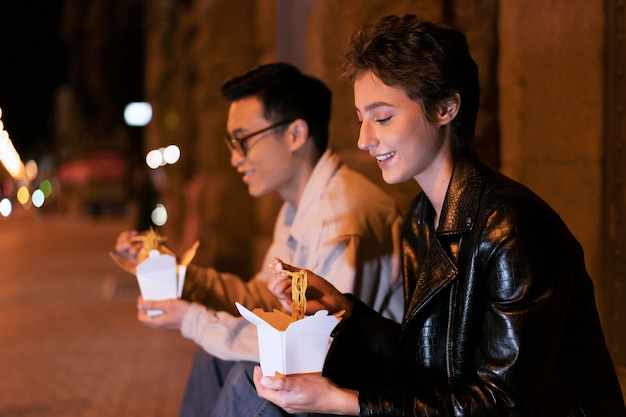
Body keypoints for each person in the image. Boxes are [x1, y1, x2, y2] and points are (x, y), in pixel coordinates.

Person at [210, 15, 626, 417]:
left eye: (383, 117)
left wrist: (342, 401)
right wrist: (342, 314)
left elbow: (502, 405)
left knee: (257, 394)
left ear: (446, 108)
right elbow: (429, 363)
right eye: (360, 119)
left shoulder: (511, 227)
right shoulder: (422, 217)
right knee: (249, 382)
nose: (364, 139)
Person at [114, 62, 405, 416]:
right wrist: (176, 275)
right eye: (230, 143)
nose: (235, 158)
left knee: (247, 378)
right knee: (217, 356)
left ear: (295, 134)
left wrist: (192, 320)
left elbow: (316, 350)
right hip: (333, 375)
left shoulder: (342, 216)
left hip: (363, 393)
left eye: (243, 141)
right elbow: (259, 298)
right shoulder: (298, 206)